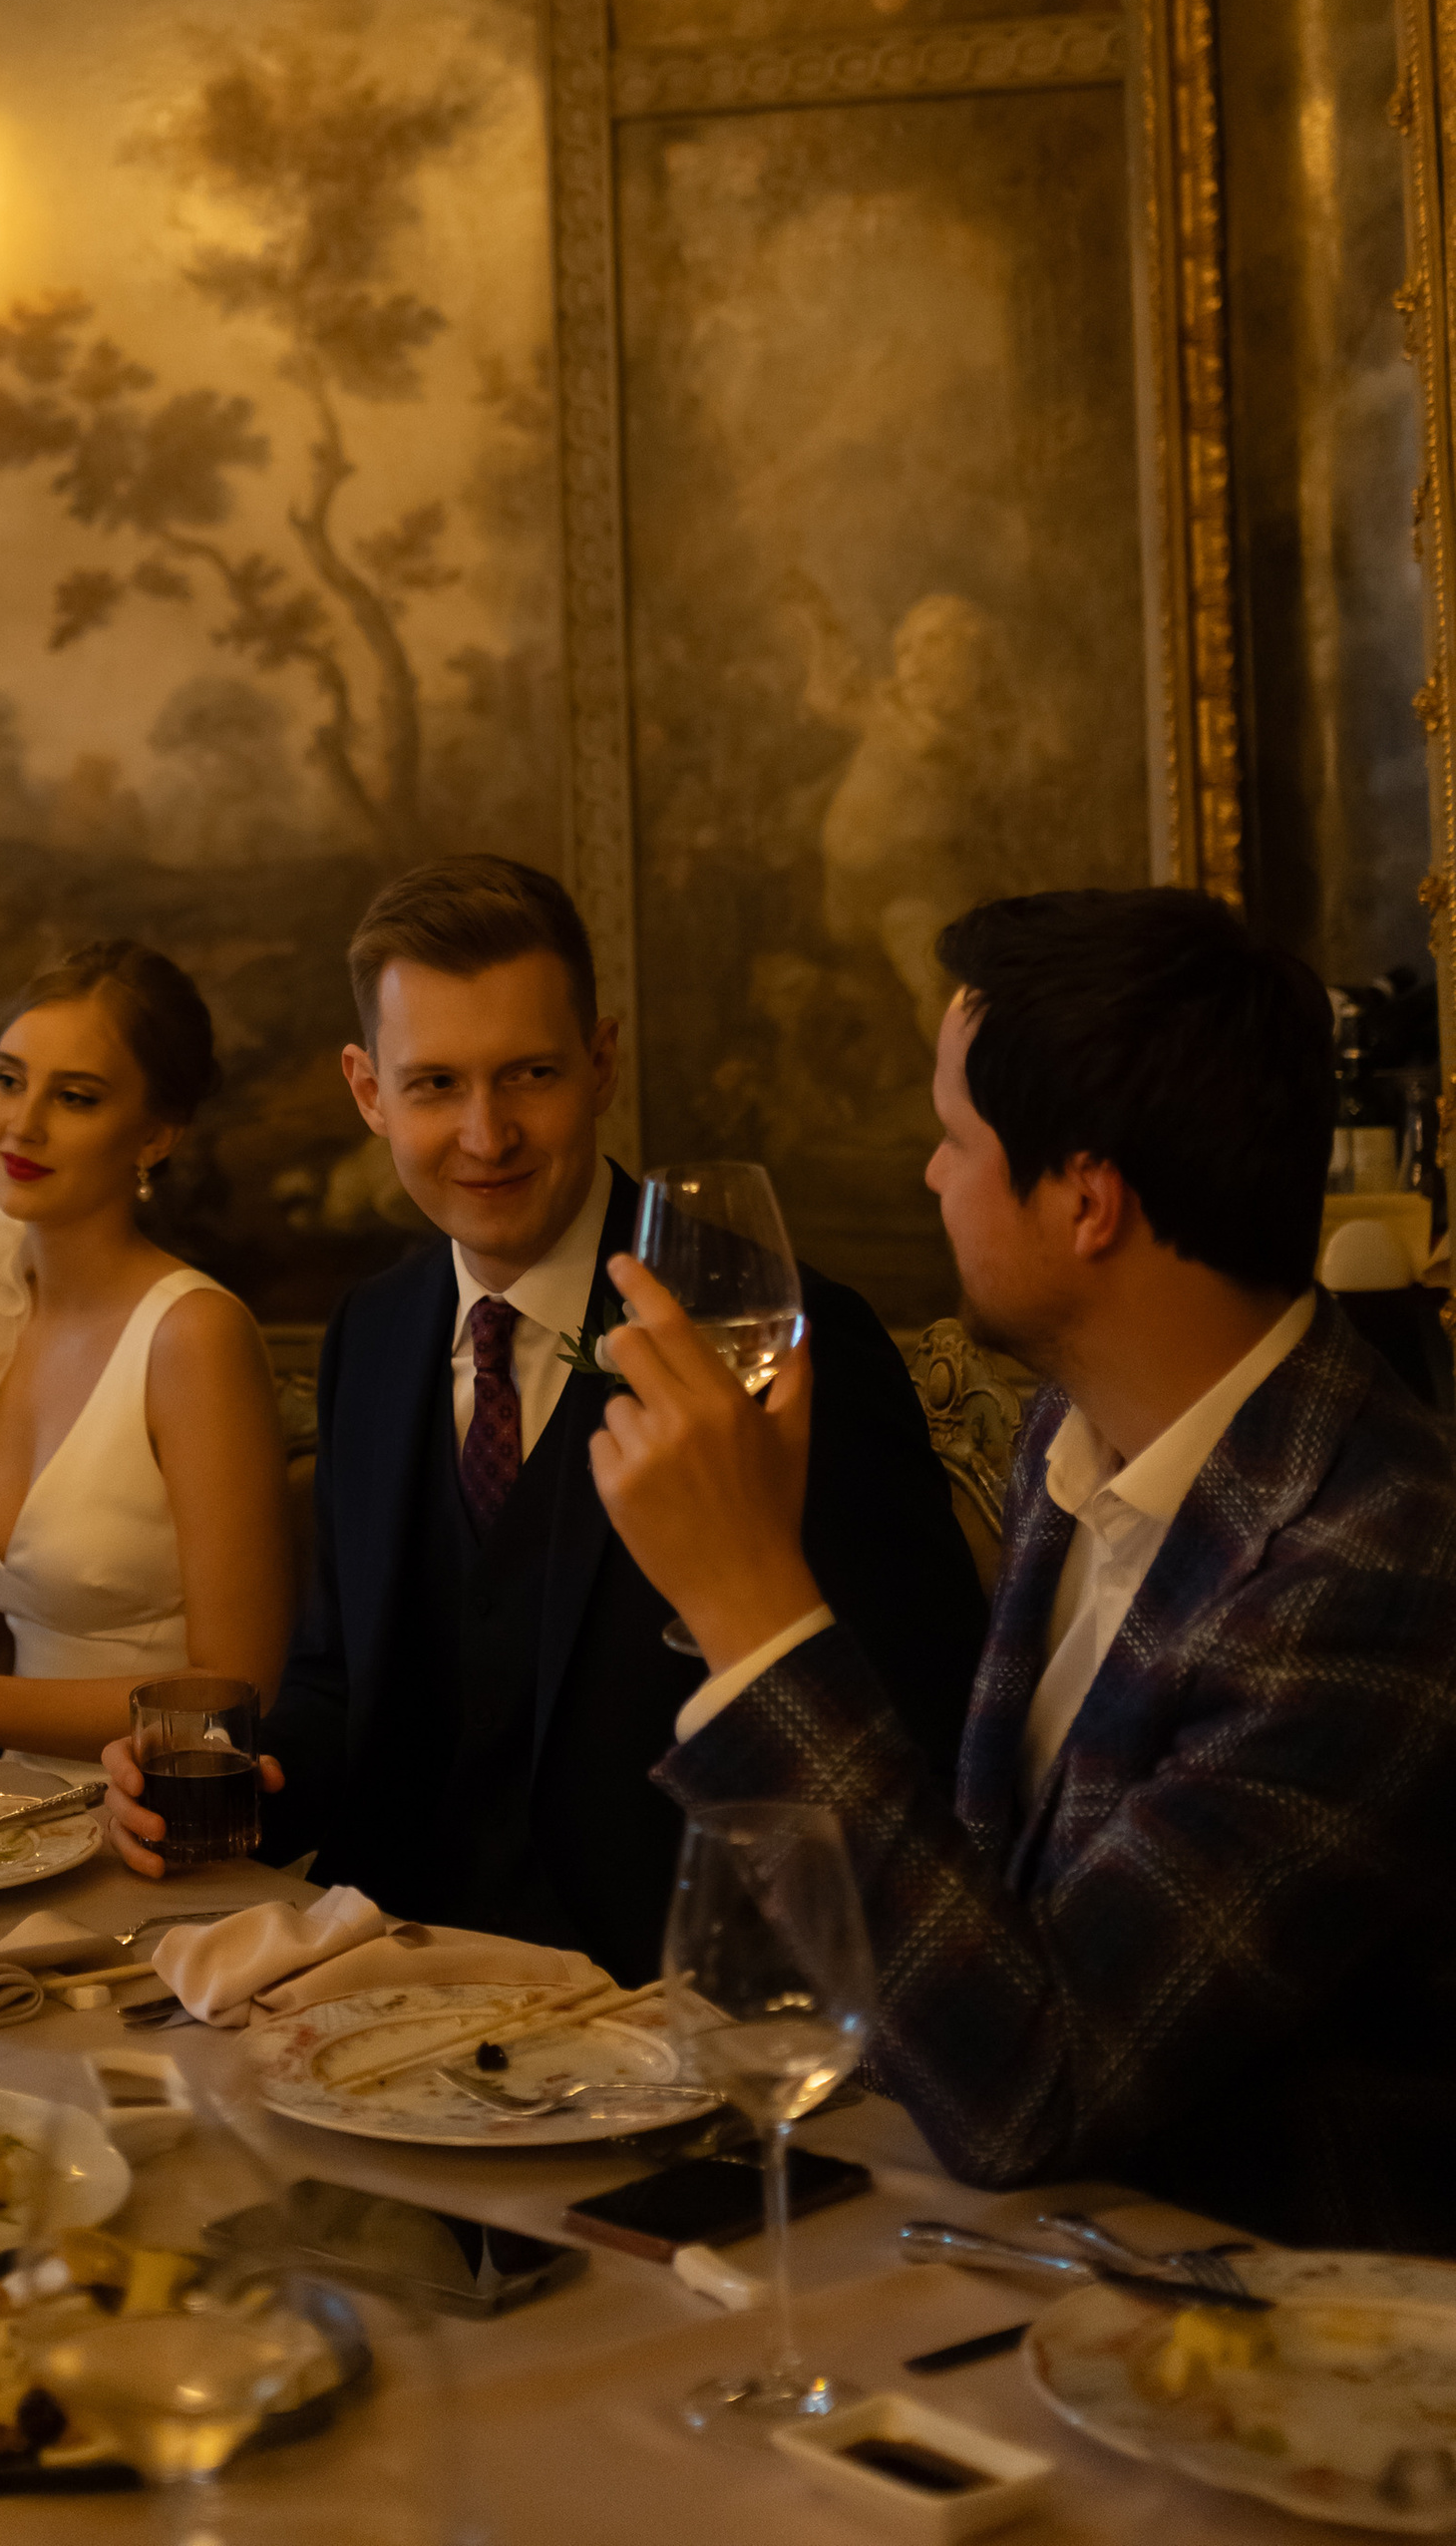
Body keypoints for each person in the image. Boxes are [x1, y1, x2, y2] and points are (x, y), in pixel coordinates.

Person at [594, 887, 1456, 2248]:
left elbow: (1038, 2085)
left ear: (1087, 1200)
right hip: (1025, 2267)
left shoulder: (1379, 1569)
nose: (929, 1178)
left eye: (954, 1140)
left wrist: (749, 1600)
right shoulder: (1073, 1434)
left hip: (1281, 2356)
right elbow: (975, 1928)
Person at [103, 856, 985, 1980]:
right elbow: (338, 1686)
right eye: (434, 1086)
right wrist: (241, 1790)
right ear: (367, 1092)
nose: (486, 1134)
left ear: (601, 1062)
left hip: (676, 2007)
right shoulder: (370, 1335)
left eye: (527, 1075)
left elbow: (916, 1729)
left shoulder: (771, 1329)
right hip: (388, 1999)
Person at [0, 940, 292, 1756]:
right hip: (5, 1817)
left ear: (154, 1136)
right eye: (8, 1079)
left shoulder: (193, 1335)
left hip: (159, 1821)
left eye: (76, 1098)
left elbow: (233, 1692)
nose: (22, 1122)